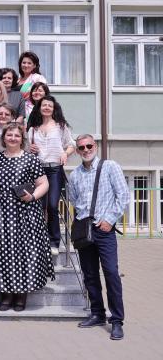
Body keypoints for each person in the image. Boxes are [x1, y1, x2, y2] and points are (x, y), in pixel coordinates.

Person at [68, 135, 129, 341]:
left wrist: (110, 219)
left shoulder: (110, 166)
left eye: (89, 146)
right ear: (76, 151)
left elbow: (123, 196)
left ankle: (117, 320)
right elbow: (74, 200)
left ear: (96, 146)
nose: (86, 150)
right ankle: (97, 313)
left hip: (104, 229)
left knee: (111, 273)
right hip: (85, 229)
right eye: (81, 147)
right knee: (90, 274)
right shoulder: (75, 174)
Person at [0, 123, 53, 312]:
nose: (13, 138)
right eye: (9, 135)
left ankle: (21, 296)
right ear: (3, 138)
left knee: (25, 253)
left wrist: (33, 196)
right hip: (2, 213)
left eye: (17, 136)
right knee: (3, 253)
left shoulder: (30, 159)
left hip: (26, 213)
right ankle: (6, 294)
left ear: (22, 139)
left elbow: (44, 183)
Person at [27, 95, 75, 254]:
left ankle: (54, 241)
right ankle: (39, 239)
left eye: (50, 105)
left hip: (55, 169)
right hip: (38, 170)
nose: (46, 107)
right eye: (44, 105)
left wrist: (65, 154)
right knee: (39, 206)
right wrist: (30, 149)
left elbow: (71, 144)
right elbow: (27, 149)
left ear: (54, 109)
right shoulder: (33, 129)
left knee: (52, 206)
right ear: (39, 108)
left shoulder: (61, 126)